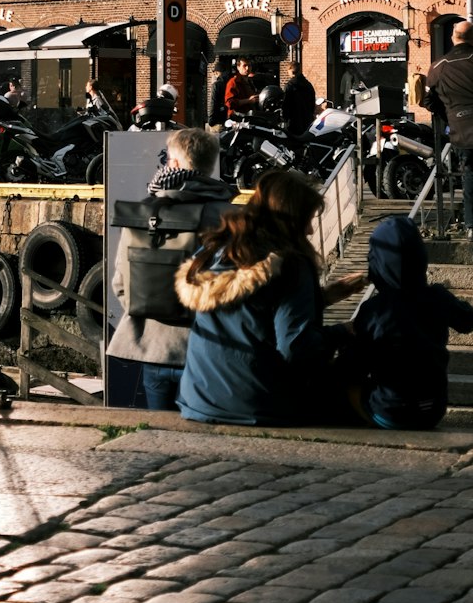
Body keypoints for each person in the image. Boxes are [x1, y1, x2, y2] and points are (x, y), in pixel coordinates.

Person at [176, 168, 365, 426]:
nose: (310, 231)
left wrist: (321, 298)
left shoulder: (215, 250)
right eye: (307, 220)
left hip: (199, 399)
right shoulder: (289, 264)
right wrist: (345, 331)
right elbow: (295, 348)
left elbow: (250, 314)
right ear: (290, 221)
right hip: (258, 404)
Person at [107, 126, 234, 410]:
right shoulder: (231, 216)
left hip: (154, 348)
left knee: (160, 436)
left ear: (174, 163)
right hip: (208, 350)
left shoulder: (144, 212)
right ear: (210, 164)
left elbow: (120, 282)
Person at [351, 215, 473, 429]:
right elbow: (466, 322)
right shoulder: (437, 297)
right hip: (434, 409)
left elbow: (355, 364)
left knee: (343, 381)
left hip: (391, 412)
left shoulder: (375, 309)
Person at [427, 21, 473, 234]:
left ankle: (471, 225)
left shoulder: (438, 66)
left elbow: (429, 100)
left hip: (461, 130)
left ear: (453, 37)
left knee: (469, 176)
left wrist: (449, 116)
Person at [282, 61, 317, 145]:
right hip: (307, 120)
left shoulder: (289, 86)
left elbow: (286, 105)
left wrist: (284, 118)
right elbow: (312, 104)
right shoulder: (308, 85)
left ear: (291, 71)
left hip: (293, 122)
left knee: (293, 144)